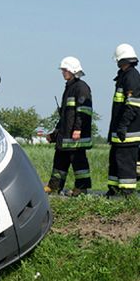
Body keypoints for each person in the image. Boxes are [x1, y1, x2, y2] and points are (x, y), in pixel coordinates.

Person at [45, 57, 93, 196]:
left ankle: (81, 189)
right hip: (66, 135)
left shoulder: (81, 87)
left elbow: (83, 111)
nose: (63, 72)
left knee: (78, 162)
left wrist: (78, 129)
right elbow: (65, 116)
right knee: (60, 160)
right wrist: (54, 134)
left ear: (72, 70)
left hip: (75, 135)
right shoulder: (69, 88)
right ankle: (54, 187)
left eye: (65, 70)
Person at [107, 43, 140, 197]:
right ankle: (114, 190)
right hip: (119, 132)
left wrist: (123, 126)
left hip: (128, 131)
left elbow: (133, 106)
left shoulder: (132, 77)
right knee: (115, 161)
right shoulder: (123, 76)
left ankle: (127, 193)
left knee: (125, 162)